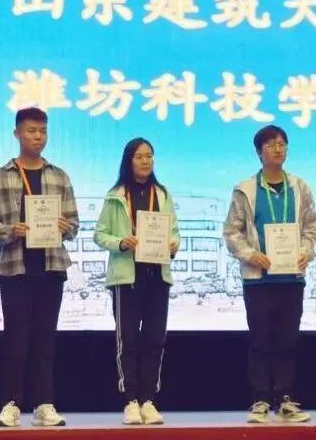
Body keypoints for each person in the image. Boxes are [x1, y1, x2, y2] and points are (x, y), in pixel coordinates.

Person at [0, 107, 80, 427]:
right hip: (15, 269)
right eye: (32, 131)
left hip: (51, 267)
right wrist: (13, 231)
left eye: (43, 131)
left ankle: (44, 404)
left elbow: (75, 225)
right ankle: (11, 404)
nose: (38, 137)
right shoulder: (0, 176)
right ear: (17, 134)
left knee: (45, 341)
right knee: (16, 340)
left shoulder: (59, 176)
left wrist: (65, 226)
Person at [223, 125, 316, 424]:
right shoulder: (245, 189)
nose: (278, 149)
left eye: (282, 144)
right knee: (261, 341)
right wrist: (251, 254)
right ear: (259, 152)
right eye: (271, 144)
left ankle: (286, 400)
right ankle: (261, 400)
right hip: (258, 280)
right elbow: (232, 232)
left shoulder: (300, 187)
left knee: (288, 341)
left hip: (292, 277)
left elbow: (311, 227)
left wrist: (305, 252)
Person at [93, 138, 181, 425]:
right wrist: (121, 242)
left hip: (158, 276)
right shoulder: (116, 196)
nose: (145, 161)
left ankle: (149, 400)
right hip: (126, 279)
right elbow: (99, 234)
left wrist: (173, 245)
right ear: (128, 160)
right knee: (127, 340)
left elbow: (174, 232)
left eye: (150, 156)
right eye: (139, 156)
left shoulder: (162, 194)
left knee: (155, 340)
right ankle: (130, 400)